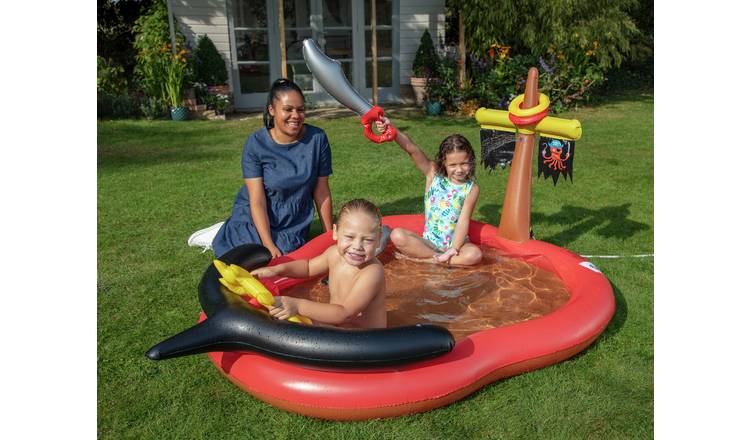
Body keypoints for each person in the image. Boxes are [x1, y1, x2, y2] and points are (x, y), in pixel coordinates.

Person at [211, 78, 334, 258]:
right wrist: (268, 244)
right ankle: (227, 229)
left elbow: (322, 191)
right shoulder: (256, 144)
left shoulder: (317, 139)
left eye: (300, 110)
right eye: (288, 109)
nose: (296, 116)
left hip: (293, 220)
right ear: (272, 110)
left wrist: (328, 236)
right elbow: (257, 200)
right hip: (255, 215)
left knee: (286, 257)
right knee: (254, 256)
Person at [251, 199, 386, 329]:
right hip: (339, 325)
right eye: (350, 237)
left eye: (367, 240)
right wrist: (277, 270)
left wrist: (298, 305)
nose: (357, 246)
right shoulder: (334, 254)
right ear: (335, 232)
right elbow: (308, 267)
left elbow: (345, 313)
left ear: (379, 239)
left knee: (295, 321)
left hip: (365, 340)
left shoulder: (372, 272)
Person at [376, 117, 483, 266]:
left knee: (475, 254)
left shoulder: (471, 188)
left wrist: (453, 249)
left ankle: (426, 260)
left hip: (456, 245)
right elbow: (411, 149)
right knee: (397, 235)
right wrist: (391, 129)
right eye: (453, 165)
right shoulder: (433, 174)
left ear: (470, 160)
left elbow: (463, 221)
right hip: (428, 244)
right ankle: (440, 260)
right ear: (443, 162)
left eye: (464, 163)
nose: (459, 169)